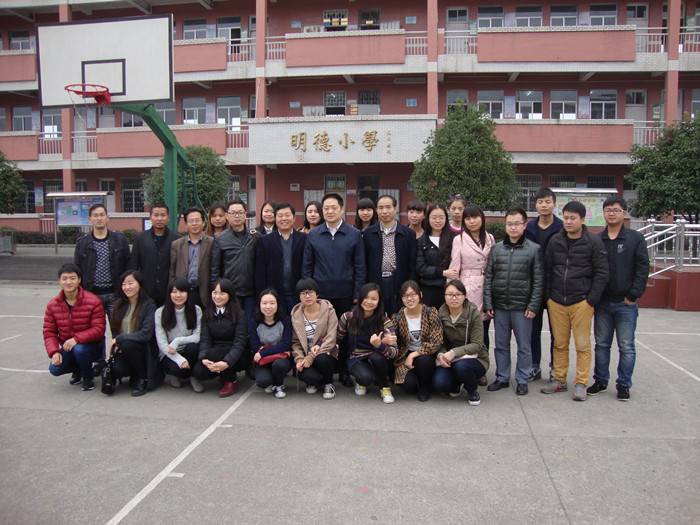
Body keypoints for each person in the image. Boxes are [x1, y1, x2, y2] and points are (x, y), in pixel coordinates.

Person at [541, 201, 609, 401]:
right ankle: (559, 379)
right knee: (559, 344)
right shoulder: (555, 241)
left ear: (582, 219)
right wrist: (548, 297)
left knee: (582, 345)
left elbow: (602, 273)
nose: (568, 222)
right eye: (566, 218)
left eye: (573, 218)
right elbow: (547, 270)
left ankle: (581, 382)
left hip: (581, 302)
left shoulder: (593, 242)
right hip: (556, 301)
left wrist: (591, 300)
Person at [588, 196, 649, 401]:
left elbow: (642, 268)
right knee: (602, 345)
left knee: (626, 346)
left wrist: (633, 295)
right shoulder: (598, 239)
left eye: (616, 210)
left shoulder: (634, 238)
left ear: (624, 213)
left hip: (626, 303)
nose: (611, 214)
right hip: (603, 303)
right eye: (608, 210)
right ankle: (600, 381)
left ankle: (623, 385)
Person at [484, 207, 544, 396]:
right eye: (509, 224)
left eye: (517, 224)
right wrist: (488, 303)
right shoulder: (497, 249)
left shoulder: (534, 249)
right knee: (501, 345)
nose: (513, 227)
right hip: (500, 306)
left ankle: (522, 379)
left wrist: (533, 305)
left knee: (524, 346)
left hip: (522, 307)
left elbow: (538, 281)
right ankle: (502, 377)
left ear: (525, 225)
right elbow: (489, 277)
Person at [43, 263, 105, 391]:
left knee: (80, 350)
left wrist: (76, 339)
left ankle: (87, 377)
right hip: (68, 347)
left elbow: (99, 329)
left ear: (79, 279)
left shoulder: (93, 301)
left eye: (72, 278)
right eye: (64, 279)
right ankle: (78, 369)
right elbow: (49, 332)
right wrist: (54, 352)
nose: (68, 282)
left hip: (91, 346)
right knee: (54, 369)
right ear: (59, 281)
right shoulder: (53, 305)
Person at [524, 187, 563, 381]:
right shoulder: (529, 228)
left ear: (554, 204)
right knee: (533, 330)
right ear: (536, 205)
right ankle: (534, 366)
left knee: (557, 332)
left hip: (556, 286)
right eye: (540, 202)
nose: (544, 205)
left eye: (548, 202)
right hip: (533, 287)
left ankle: (556, 368)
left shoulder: (562, 227)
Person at [337, 283, 398, 404]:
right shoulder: (348, 317)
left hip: (377, 357)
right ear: (360, 298)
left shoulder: (385, 321)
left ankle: (384, 387)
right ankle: (362, 381)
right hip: (356, 358)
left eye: (374, 299)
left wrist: (380, 344)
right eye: (366, 298)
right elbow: (337, 339)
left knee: (376, 358)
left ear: (379, 301)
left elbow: (394, 353)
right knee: (365, 378)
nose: (369, 302)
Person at [73, 203, 130, 328]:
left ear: (107, 217)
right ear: (90, 219)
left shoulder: (119, 240)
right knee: (94, 332)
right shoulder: (82, 243)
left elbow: (128, 266)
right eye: (95, 216)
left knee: (118, 330)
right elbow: (77, 270)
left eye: (102, 215)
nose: (99, 218)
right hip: (91, 295)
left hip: (115, 294)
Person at [433, 280, 488, 406]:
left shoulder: (473, 312)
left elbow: (477, 344)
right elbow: (440, 341)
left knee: (461, 367)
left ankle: (472, 390)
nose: (454, 298)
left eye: (458, 295)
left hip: (475, 358)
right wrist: (441, 355)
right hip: (450, 359)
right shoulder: (441, 313)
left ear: (464, 296)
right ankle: (458, 382)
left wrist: (453, 352)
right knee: (439, 383)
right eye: (450, 295)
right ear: (444, 296)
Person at [191, 279, 249, 397]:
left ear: (230, 295)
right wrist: (203, 358)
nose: (217, 297)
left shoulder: (239, 314)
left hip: (236, 354)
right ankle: (223, 374)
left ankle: (232, 380)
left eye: (222, 293)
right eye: (215, 292)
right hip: (214, 351)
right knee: (199, 371)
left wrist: (227, 362)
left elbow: (239, 342)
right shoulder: (207, 313)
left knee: (214, 354)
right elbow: (205, 339)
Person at [450, 204, 495, 350]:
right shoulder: (459, 239)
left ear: (482, 218)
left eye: (475, 217)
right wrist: (453, 293)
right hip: (467, 285)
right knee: (468, 329)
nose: (472, 221)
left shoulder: (490, 238)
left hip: (486, 286)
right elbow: (454, 267)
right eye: (468, 218)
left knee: (484, 328)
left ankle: (483, 360)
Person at [363, 194, 417, 316]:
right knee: (376, 316)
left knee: (398, 316)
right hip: (376, 281)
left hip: (399, 281)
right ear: (376, 210)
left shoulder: (408, 234)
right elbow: (364, 262)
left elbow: (412, 263)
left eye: (388, 207)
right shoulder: (368, 233)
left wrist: (411, 287)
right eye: (381, 208)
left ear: (395, 209)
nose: (384, 211)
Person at [107, 270, 156, 397]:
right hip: (124, 349)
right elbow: (115, 330)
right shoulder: (119, 304)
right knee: (117, 370)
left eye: (130, 283)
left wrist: (120, 339)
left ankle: (142, 378)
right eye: (123, 284)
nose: (127, 287)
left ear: (139, 284)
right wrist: (116, 343)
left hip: (142, 349)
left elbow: (146, 334)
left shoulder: (148, 305)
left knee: (128, 344)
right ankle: (134, 373)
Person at [392, 281, 442, 402]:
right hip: (406, 354)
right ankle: (416, 380)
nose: (409, 299)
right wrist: (387, 339)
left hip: (426, 354)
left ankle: (425, 385)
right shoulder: (398, 317)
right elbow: (392, 339)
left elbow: (436, 341)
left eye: (413, 294)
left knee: (424, 361)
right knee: (407, 385)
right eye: (405, 296)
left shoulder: (430, 312)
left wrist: (414, 354)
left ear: (420, 294)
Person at [255, 202, 308, 314]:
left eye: (287, 215)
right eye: (280, 215)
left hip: (298, 293)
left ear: (294, 218)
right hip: (274, 294)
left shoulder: (304, 239)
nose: (284, 218)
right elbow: (260, 271)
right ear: (275, 218)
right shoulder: (265, 240)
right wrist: (262, 295)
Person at [290, 278, 338, 400]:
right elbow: (295, 342)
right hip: (306, 356)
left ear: (317, 293)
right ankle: (316, 380)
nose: (307, 296)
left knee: (322, 360)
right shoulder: (295, 315)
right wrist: (300, 359)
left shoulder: (329, 311)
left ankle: (328, 383)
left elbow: (331, 338)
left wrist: (312, 357)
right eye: (303, 293)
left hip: (326, 353)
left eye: (310, 292)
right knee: (309, 378)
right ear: (299, 296)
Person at [210, 198, 257, 322]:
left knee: (249, 325)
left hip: (251, 293)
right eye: (233, 213)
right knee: (231, 325)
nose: (237, 216)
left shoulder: (255, 236)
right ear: (227, 216)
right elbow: (215, 270)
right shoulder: (220, 239)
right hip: (230, 293)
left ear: (245, 214)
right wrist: (218, 293)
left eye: (240, 212)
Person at [155, 278, 203, 392]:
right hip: (169, 352)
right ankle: (176, 375)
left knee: (193, 348)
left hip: (187, 349)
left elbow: (197, 336)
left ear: (188, 293)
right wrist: (179, 360)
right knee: (176, 368)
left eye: (182, 291)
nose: (178, 295)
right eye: (174, 292)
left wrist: (177, 341)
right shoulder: (160, 312)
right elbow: (162, 343)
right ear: (169, 294)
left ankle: (193, 377)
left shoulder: (196, 310)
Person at [131, 203, 179, 307]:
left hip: (167, 291)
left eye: (163, 215)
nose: (159, 219)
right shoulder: (140, 238)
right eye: (156, 215)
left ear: (168, 217)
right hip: (146, 290)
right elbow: (134, 265)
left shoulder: (176, 239)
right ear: (150, 217)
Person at [249, 288, 293, 399]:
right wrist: (269, 351)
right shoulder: (254, 322)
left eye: (272, 303)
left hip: (280, 359)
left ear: (278, 304)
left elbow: (286, 344)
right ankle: (270, 380)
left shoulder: (285, 320)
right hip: (263, 360)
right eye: (264, 303)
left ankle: (279, 385)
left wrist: (264, 351)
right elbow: (255, 346)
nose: (268, 307)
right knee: (263, 382)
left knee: (279, 365)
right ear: (259, 304)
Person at [169, 207, 213, 310]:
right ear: (186, 224)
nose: (194, 224)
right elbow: (172, 271)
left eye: (197, 220)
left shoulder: (212, 243)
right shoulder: (176, 245)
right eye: (190, 221)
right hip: (183, 292)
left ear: (203, 222)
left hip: (204, 292)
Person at [416, 203, 458, 308]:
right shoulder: (421, 241)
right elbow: (421, 268)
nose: (438, 221)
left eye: (441, 217)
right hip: (429, 289)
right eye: (434, 217)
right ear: (428, 218)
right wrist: (443, 273)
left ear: (446, 219)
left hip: (451, 289)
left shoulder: (455, 239)